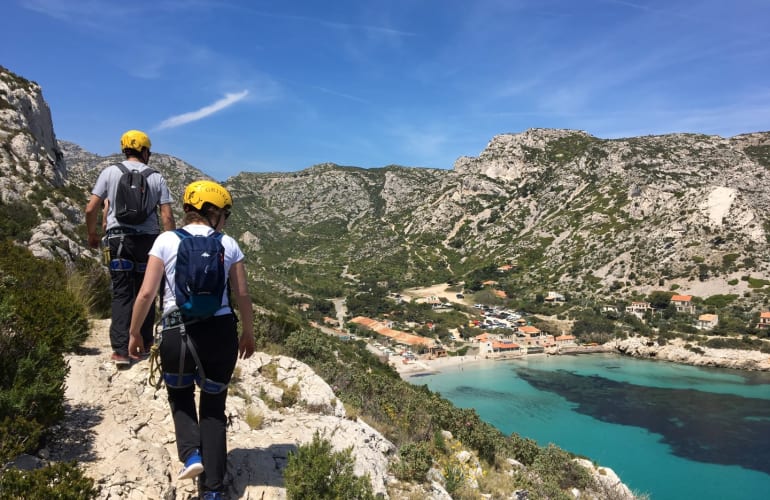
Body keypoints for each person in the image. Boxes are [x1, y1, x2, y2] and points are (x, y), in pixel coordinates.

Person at [128, 180, 255, 500]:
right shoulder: (230, 244)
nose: (225, 221)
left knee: (180, 394)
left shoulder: (165, 240)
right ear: (213, 214)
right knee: (213, 409)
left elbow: (146, 293)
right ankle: (212, 491)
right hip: (220, 334)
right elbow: (241, 294)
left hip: (176, 334)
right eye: (224, 214)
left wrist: (134, 332)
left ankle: (191, 455)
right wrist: (248, 332)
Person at [85, 130, 176, 366]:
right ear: (145, 152)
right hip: (148, 243)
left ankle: (120, 351)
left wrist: (93, 234)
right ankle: (144, 344)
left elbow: (90, 208)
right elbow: (166, 216)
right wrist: (172, 244)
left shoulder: (109, 172)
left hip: (118, 241)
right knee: (146, 292)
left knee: (122, 293)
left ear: (124, 149)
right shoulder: (156, 177)